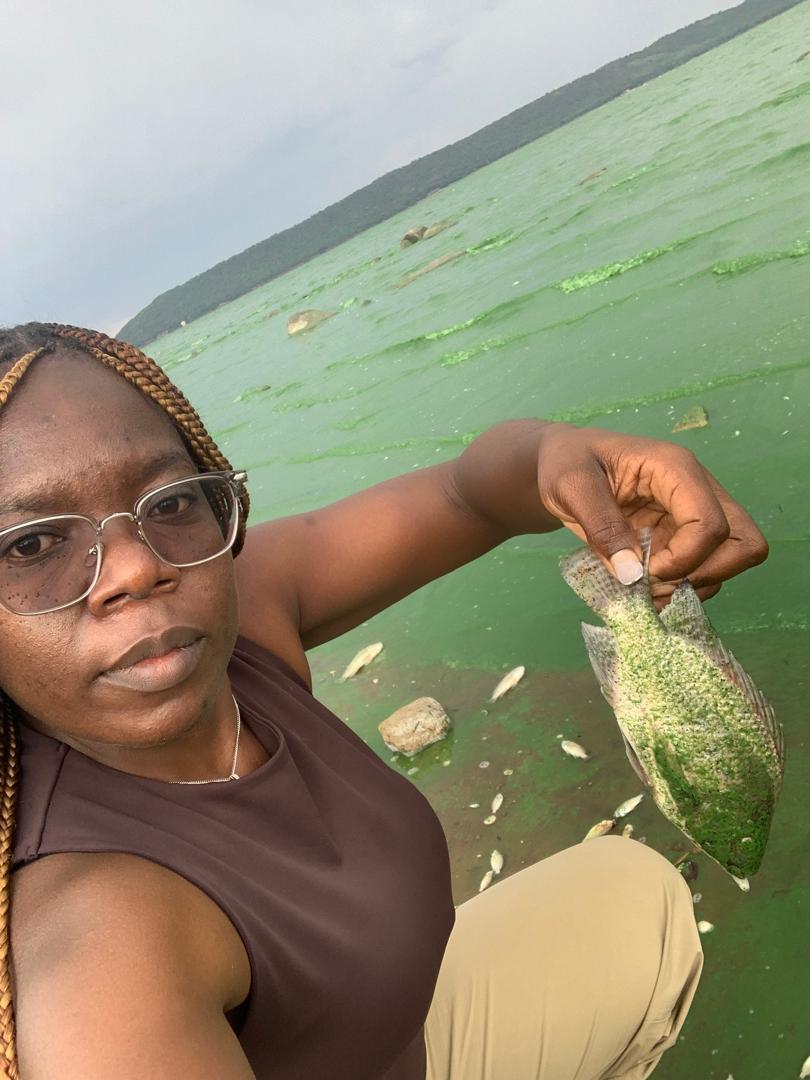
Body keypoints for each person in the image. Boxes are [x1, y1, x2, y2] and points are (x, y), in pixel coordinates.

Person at [0, 323, 767, 1080]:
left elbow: (470, 497)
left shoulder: (230, 617)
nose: (137, 567)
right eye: (30, 545)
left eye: (168, 502)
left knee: (639, 898)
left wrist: (562, 453)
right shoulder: (98, 952)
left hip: (417, 1037)